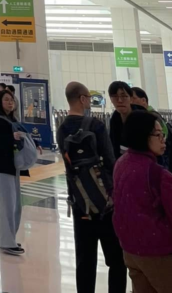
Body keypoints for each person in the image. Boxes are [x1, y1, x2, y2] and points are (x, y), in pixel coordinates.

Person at [56, 81, 126, 293]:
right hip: (106, 204)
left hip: (80, 204)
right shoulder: (96, 126)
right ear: (83, 99)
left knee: (85, 262)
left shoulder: (61, 129)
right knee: (116, 259)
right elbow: (111, 161)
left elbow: (69, 167)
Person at [112, 109, 172, 291]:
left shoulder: (121, 163)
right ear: (142, 135)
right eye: (158, 135)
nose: (163, 139)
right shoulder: (158, 175)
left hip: (130, 251)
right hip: (160, 254)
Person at [0, 88, 27, 254]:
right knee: (8, 204)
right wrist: (13, 138)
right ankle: (6, 241)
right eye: (6, 100)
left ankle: (10, 238)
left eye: (11, 100)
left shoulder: (12, 119)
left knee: (15, 205)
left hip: (13, 166)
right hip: (3, 166)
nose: (10, 102)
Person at [108, 81, 136, 161]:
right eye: (115, 96)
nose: (119, 100)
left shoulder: (142, 118)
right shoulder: (114, 119)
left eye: (124, 96)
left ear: (131, 99)